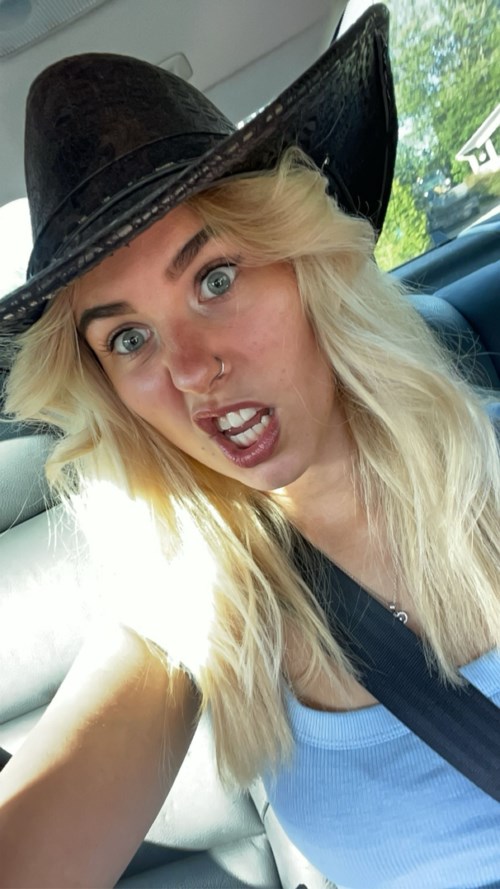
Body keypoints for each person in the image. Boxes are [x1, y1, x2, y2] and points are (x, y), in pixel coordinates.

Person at [0, 5, 499, 887]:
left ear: (304, 262)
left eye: (215, 278)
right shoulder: (191, 604)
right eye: (128, 339)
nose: (192, 369)